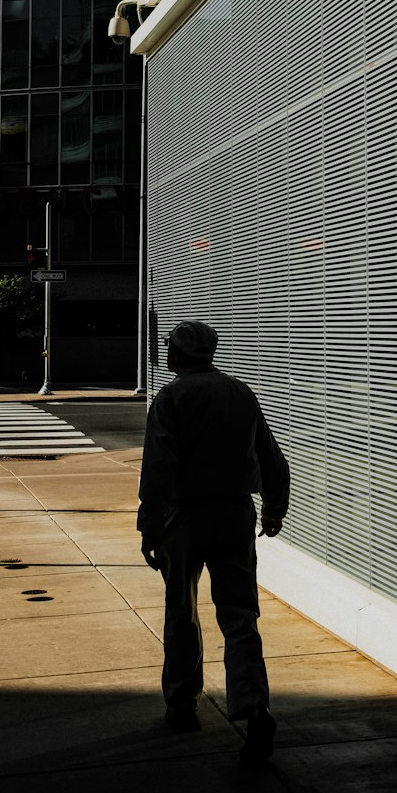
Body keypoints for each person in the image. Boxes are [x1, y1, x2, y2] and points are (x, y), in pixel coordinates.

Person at [138, 319, 290, 764]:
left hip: (184, 517)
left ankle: (182, 704)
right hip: (235, 513)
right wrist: (275, 506)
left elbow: (159, 467)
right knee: (240, 615)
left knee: (182, 612)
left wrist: (150, 526)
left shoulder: (171, 398)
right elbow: (269, 453)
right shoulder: (240, 392)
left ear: (178, 355)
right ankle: (254, 707)